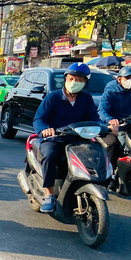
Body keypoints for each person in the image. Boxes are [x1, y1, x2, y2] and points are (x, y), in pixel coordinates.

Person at [32, 62, 102, 213]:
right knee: (50, 156)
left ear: (85, 82)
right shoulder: (53, 98)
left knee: (96, 153)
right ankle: (50, 195)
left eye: (79, 80)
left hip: (77, 140)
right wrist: (45, 130)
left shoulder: (87, 99)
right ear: (65, 79)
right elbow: (38, 119)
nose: (74, 82)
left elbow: (94, 119)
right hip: (55, 140)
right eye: (71, 79)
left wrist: (105, 126)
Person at [97, 65, 131, 174]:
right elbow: (102, 110)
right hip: (113, 128)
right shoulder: (110, 92)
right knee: (113, 143)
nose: (130, 80)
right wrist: (110, 120)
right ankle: (109, 173)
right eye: (127, 78)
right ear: (119, 79)